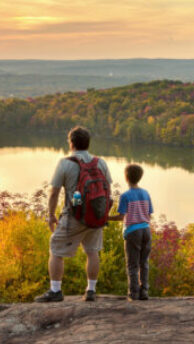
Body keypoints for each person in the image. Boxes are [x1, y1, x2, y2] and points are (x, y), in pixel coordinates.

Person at [35, 126, 112, 303]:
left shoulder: (65, 163)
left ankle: (55, 291)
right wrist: (103, 213)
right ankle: (91, 290)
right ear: (88, 143)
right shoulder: (101, 163)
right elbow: (107, 189)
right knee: (93, 252)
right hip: (96, 215)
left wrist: (51, 215)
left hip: (74, 216)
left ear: (71, 144)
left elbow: (54, 192)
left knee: (55, 248)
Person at [110, 163, 154, 301]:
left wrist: (106, 218)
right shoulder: (146, 193)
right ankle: (144, 291)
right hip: (146, 230)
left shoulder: (125, 196)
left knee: (132, 264)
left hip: (133, 232)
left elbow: (121, 217)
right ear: (140, 177)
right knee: (144, 262)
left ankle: (133, 294)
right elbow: (150, 214)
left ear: (126, 178)